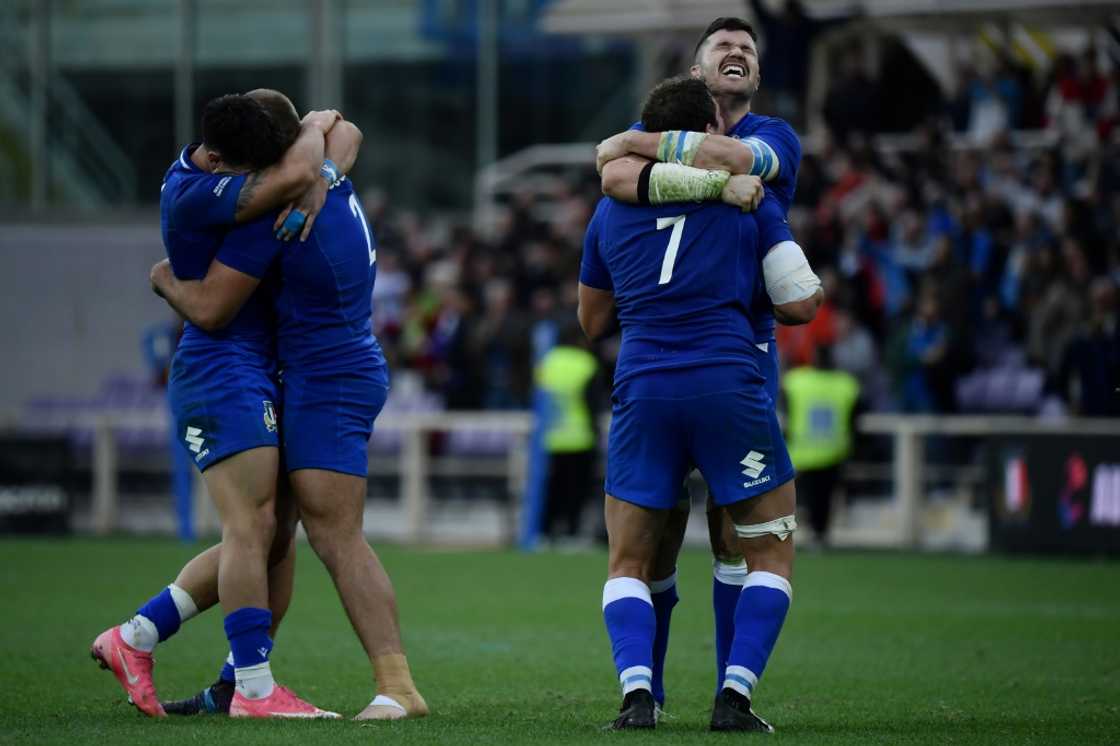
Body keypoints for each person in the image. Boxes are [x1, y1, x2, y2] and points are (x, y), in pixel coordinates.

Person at [149, 89, 428, 721]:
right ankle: (219, 677)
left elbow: (214, 308)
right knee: (271, 535)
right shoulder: (322, 169)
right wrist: (320, 144)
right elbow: (339, 125)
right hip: (339, 364)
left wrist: (166, 279)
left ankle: (399, 687)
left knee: (333, 535)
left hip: (327, 378)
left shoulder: (271, 206)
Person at [91, 91, 358, 719]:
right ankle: (255, 692)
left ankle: (143, 639)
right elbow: (212, 309)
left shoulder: (235, 166)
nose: (261, 184)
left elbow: (340, 129)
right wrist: (166, 281)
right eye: (250, 175)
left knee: (273, 535)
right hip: (220, 370)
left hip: (261, 370)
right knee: (252, 525)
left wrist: (320, 172)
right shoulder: (198, 198)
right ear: (215, 161)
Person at [579, 75, 818, 733]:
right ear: (709, 135)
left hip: (644, 388)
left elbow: (591, 321)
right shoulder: (749, 203)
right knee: (767, 552)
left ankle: (637, 697)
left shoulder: (609, 210)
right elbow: (800, 302)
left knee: (630, 560)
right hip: (727, 384)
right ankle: (734, 698)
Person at [782, 346, 861, 545]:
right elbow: (855, 419)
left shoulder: (796, 381)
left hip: (803, 451)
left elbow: (785, 411)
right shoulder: (846, 384)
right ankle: (820, 534)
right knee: (825, 498)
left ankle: (809, 532)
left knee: (807, 498)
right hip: (834, 450)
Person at [536, 321, 604, 542]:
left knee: (552, 488)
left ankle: (546, 532)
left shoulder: (547, 361)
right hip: (580, 437)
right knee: (577, 489)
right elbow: (593, 403)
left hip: (550, 436)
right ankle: (571, 531)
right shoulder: (586, 363)